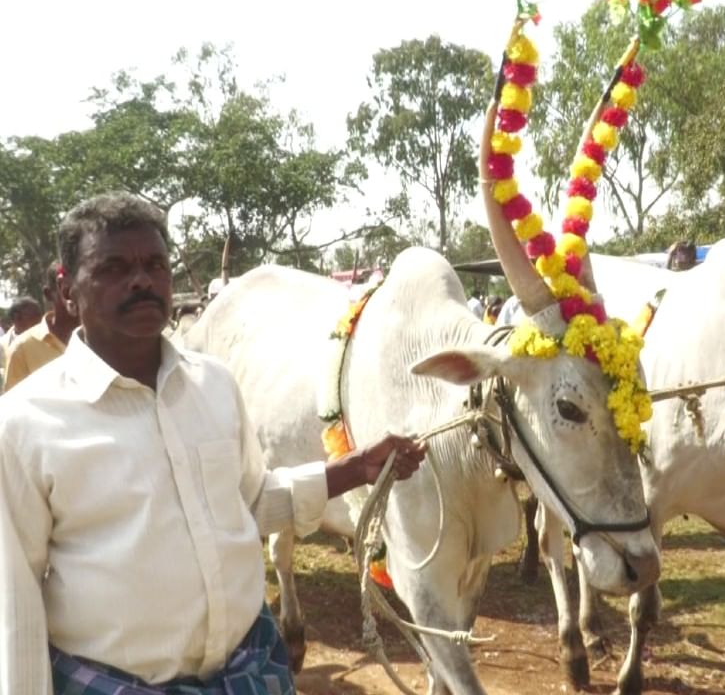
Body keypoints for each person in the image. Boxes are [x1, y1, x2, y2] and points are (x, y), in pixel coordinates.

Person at [0, 192, 428, 694]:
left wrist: (354, 469)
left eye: (155, 265)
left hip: (250, 671)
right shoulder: (24, 423)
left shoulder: (215, 386)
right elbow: (15, 603)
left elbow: (248, 501)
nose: (141, 280)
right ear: (67, 290)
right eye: (114, 267)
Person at [3, 261, 79, 392]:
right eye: (66, 290)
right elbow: (14, 406)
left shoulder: (111, 339)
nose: (75, 296)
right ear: (49, 294)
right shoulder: (22, 349)